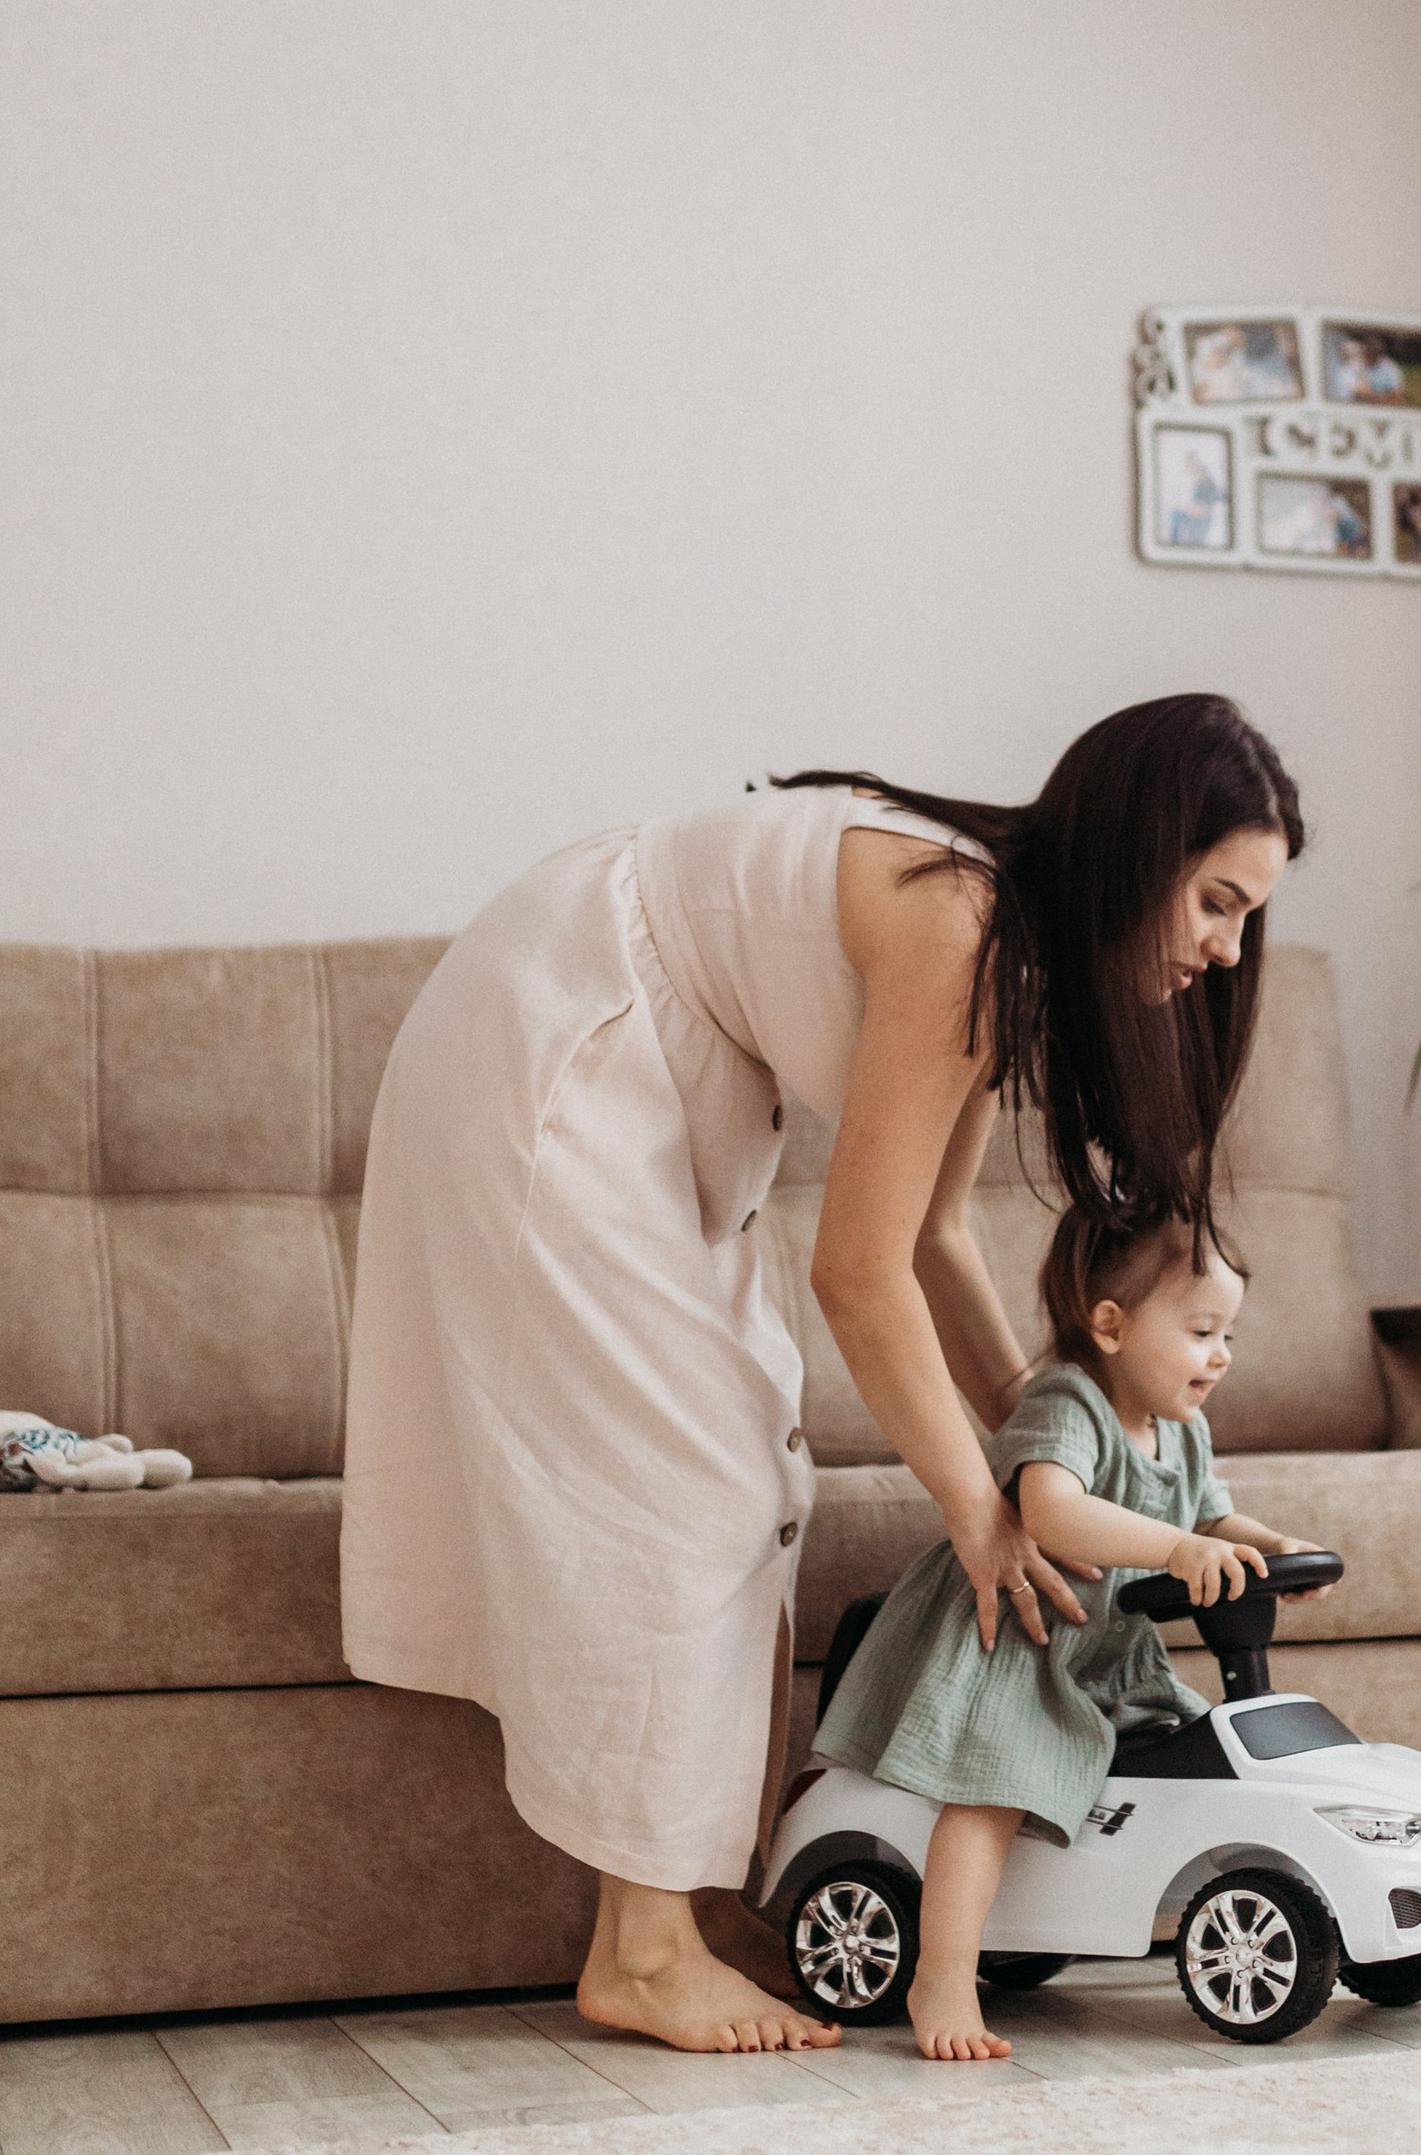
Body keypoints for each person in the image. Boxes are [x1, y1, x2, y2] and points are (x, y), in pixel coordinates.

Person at [339, 694, 1301, 2056]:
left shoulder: (1006, 953)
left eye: (1248, 918)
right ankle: (644, 1953)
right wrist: (981, 1514)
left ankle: (689, 1903)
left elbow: (937, 1239)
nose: (1226, 948)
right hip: (562, 1026)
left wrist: (1063, 1441)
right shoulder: (959, 927)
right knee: (693, 1475)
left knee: (751, 1470)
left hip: (648, 1055)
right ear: (1143, 851)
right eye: (1216, 901)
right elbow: (860, 1272)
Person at [810, 1209, 1323, 2059]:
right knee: (994, 1787)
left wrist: (1269, 1547)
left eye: (1228, 1332)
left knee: (1200, 1749)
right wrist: (1176, 1548)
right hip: (1019, 1644)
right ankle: (941, 1972)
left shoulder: (1182, 1430)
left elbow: (1214, 1514)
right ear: (1111, 1325)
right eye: (1200, 1331)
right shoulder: (1069, 1402)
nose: (1222, 1354)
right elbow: (1050, 1509)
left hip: (1107, 1654)